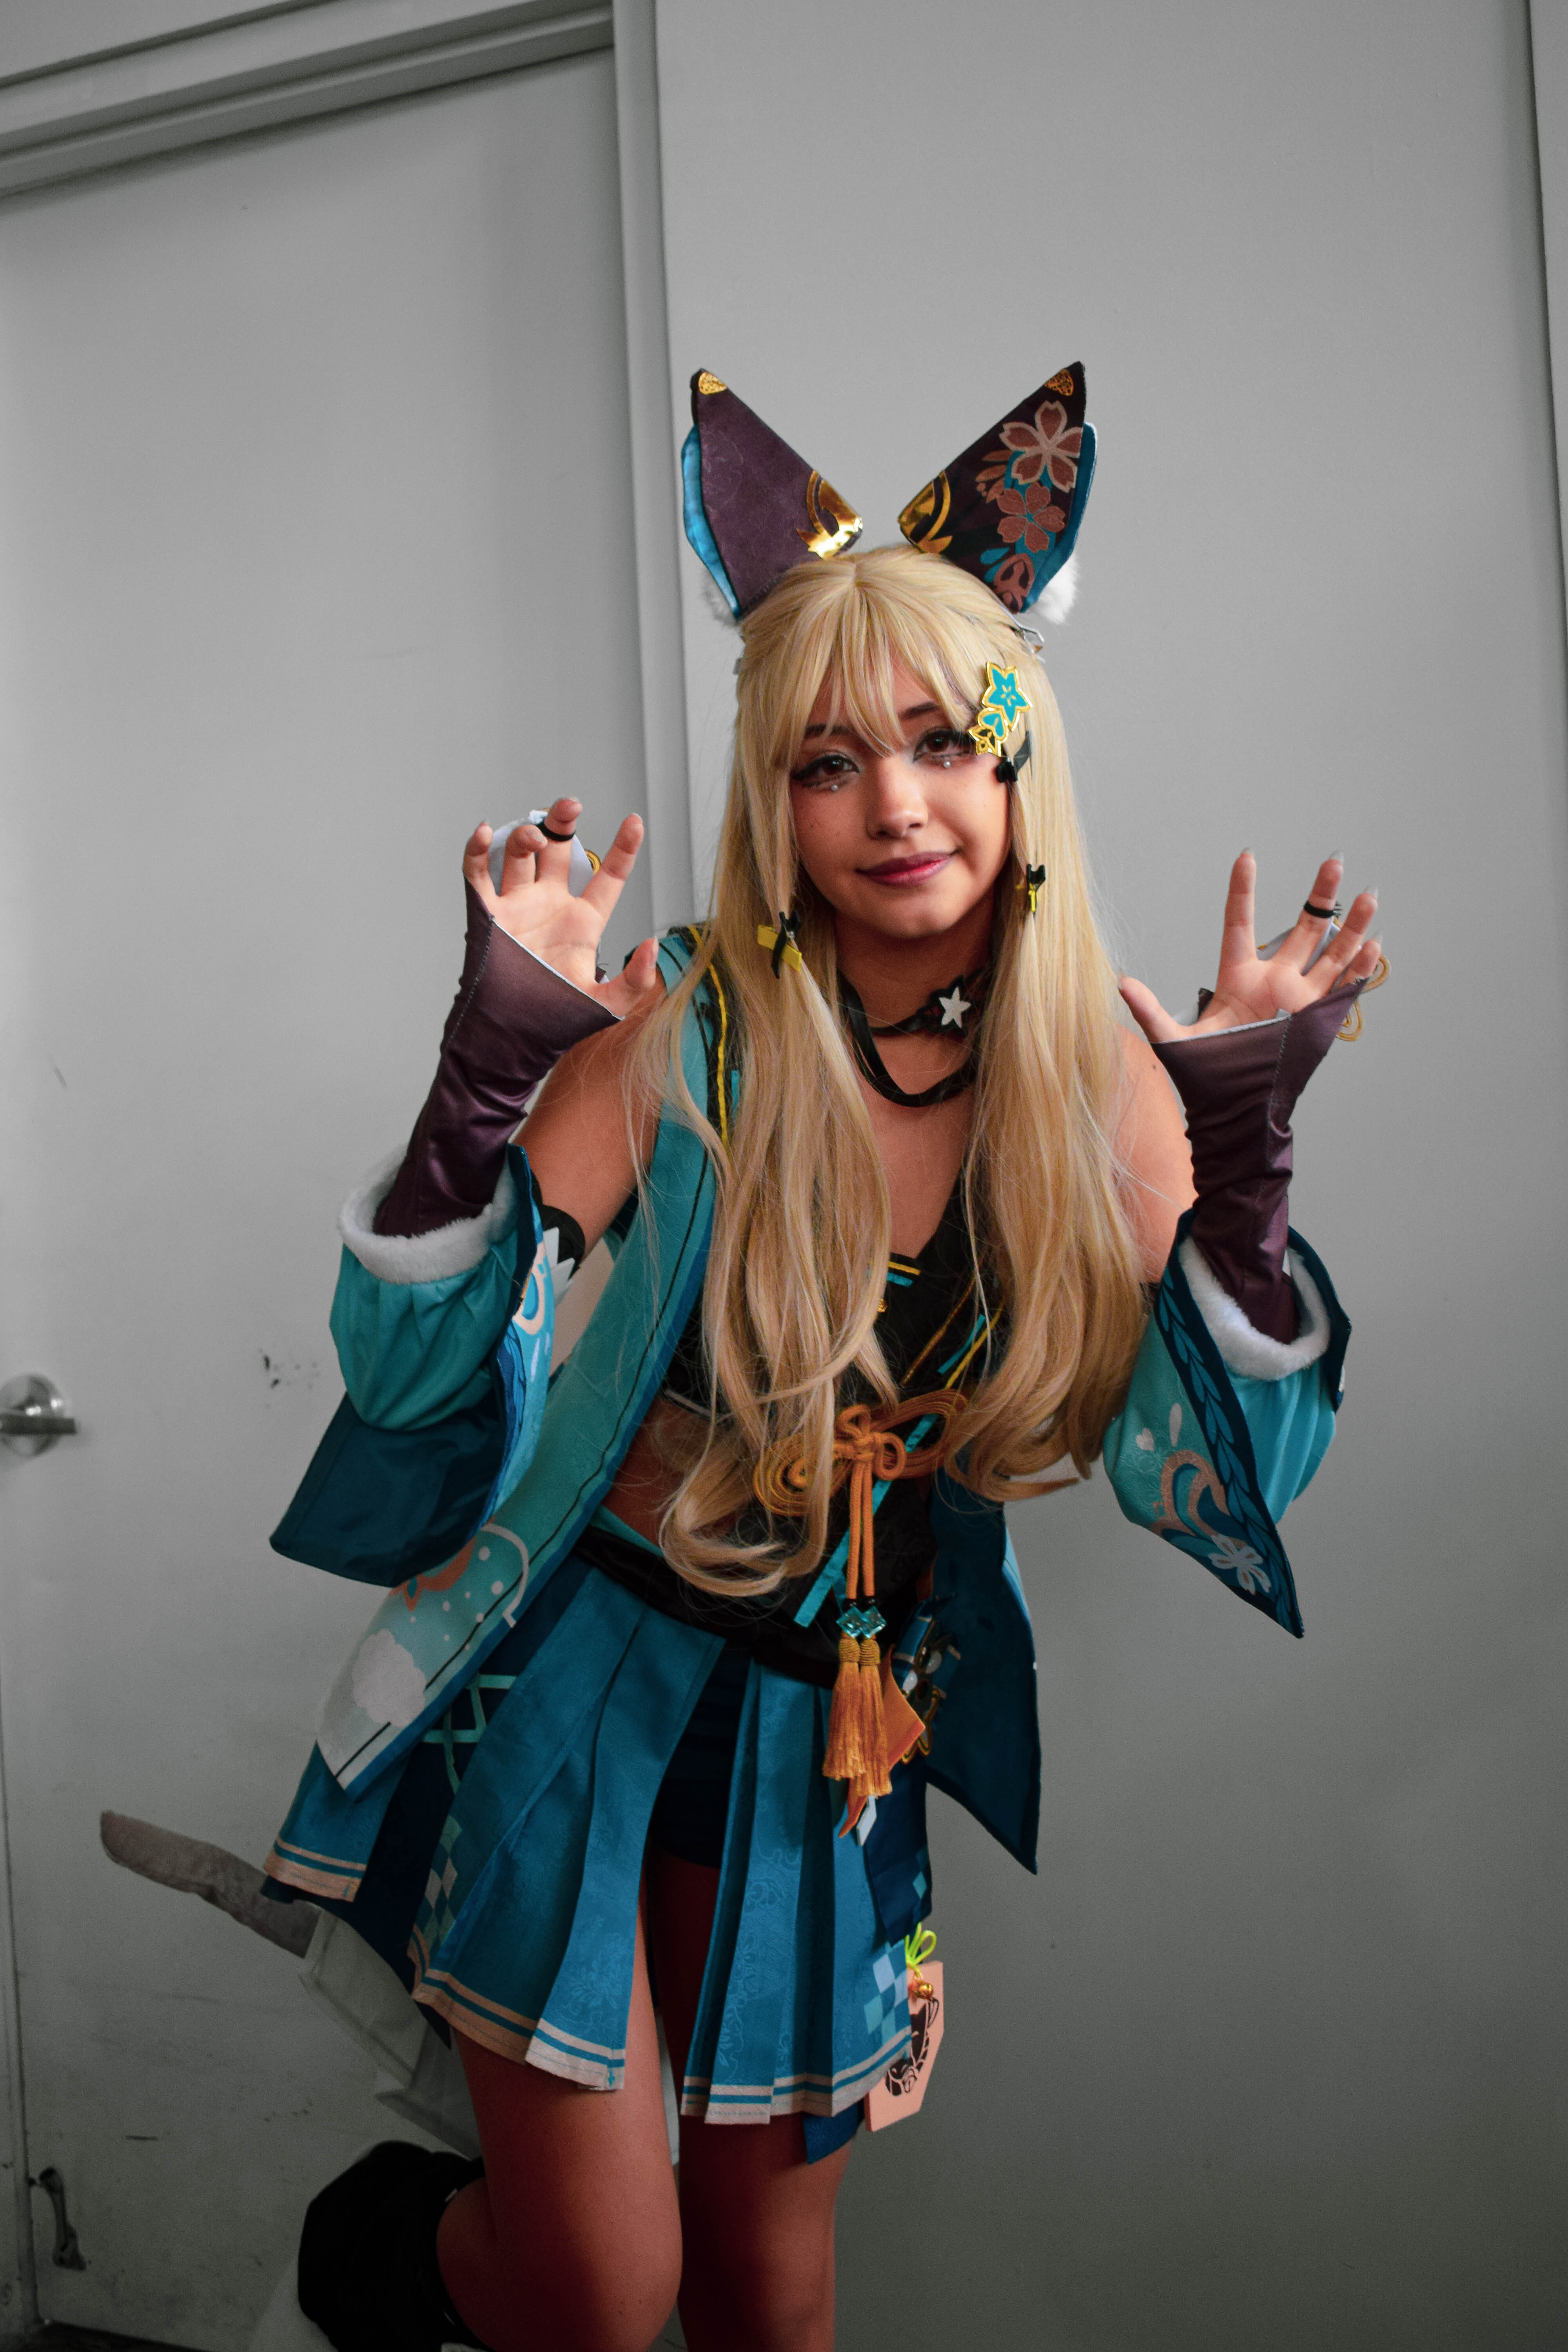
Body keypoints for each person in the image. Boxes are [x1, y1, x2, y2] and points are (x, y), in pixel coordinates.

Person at [262, 369, 1382, 2352]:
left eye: (946, 743)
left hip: (831, 1727)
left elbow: (1214, 1478)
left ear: (1021, 766)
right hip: (569, 1677)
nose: (895, 806)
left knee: (769, 2311)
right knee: (599, 2299)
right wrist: (481, 1079)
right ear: (769, 798)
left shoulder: (1102, 1076)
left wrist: (1243, 1174)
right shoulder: (689, 1021)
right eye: (828, 761)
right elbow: (412, 1378)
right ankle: (392, 2257)